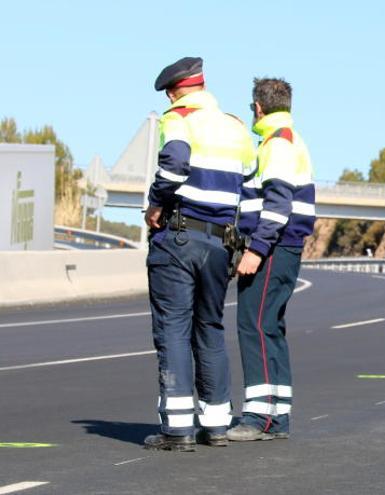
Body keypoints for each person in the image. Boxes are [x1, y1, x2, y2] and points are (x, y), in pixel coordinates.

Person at [143, 57, 255, 451]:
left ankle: (177, 431)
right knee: (209, 328)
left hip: (178, 236)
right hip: (220, 244)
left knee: (173, 328)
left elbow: (174, 162)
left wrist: (157, 203)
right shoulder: (236, 127)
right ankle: (217, 425)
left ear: (175, 90)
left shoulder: (180, 118)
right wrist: (250, 243)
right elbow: (252, 191)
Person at [226, 77, 316, 441]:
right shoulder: (290, 140)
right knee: (271, 328)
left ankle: (257, 417)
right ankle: (278, 416)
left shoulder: (276, 145)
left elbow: (277, 205)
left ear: (258, 107)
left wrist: (255, 250)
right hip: (285, 248)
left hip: (273, 249)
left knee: (255, 326)